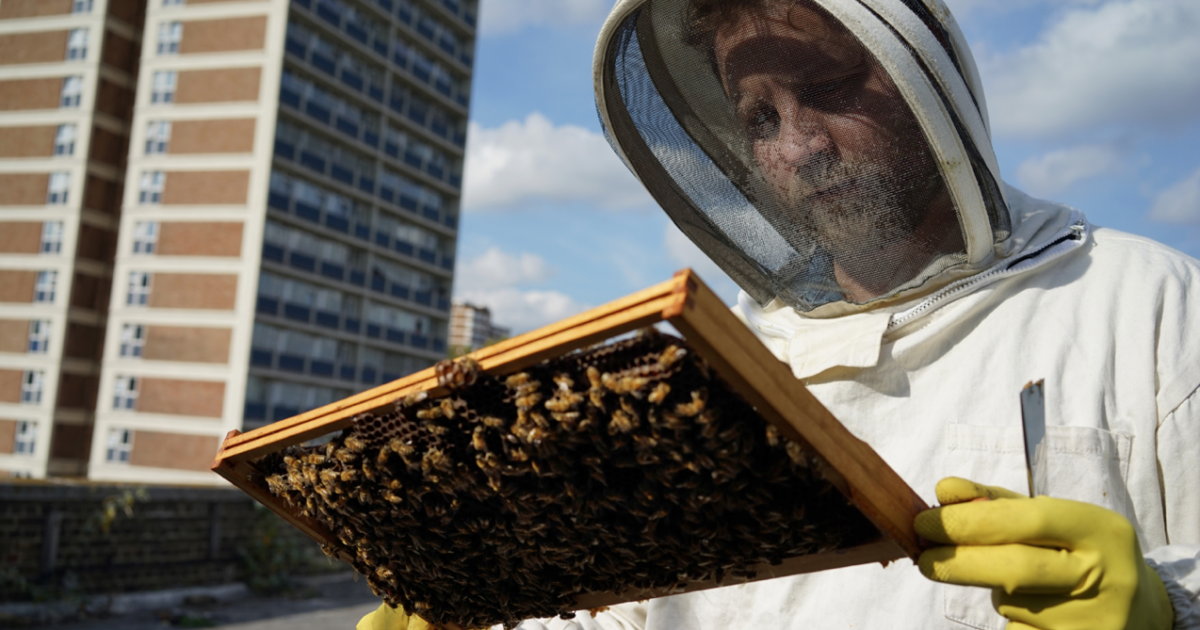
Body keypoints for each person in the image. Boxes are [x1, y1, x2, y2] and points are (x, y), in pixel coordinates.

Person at [360, 0, 1200, 628]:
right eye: (759, 117)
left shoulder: (1151, 304)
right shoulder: (713, 375)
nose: (796, 148)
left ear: (929, 75)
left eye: (830, 87)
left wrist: (1170, 613)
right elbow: (626, 612)